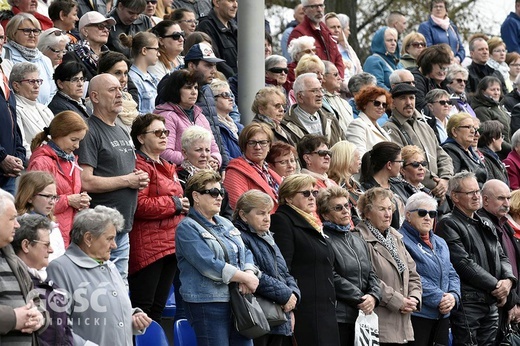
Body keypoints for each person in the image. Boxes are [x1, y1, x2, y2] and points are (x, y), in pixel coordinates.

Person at [77, 74, 150, 284]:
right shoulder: (89, 131)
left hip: (122, 228)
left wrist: (137, 177)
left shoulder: (121, 128)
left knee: (120, 286)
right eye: (112, 90)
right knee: (101, 290)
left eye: (120, 89)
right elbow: (86, 181)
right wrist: (128, 181)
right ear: (95, 97)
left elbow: (122, 171)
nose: (120, 94)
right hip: (99, 230)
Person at [175, 169, 259, 346]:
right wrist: (244, 277)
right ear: (196, 196)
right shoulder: (186, 228)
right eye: (213, 192)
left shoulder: (225, 222)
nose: (219, 197)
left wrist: (249, 272)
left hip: (236, 299)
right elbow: (208, 264)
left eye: (221, 192)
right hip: (207, 303)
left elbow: (246, 252)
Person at [46, 206, 152, 345]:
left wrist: (132, 316)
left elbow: (107, 311)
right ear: (88, 238)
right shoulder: (60, 269)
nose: (114, 245)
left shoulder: (110, 266)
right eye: (110, 238)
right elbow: (55, 325)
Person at [436, 172, 516, 345]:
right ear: (455, 197)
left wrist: (509, 281)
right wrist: (497, 285)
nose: (476, 196)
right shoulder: (448, 223)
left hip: (491, 302)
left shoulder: (485, 223)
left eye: (477, 191)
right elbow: (463, 264)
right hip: (468, 304)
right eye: (469, 192)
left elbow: (502, 256)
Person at [128, 113, 189, 322]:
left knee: (158, 309)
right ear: (141, 138)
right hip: (148, 246)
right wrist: (176, 204)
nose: (164, 136)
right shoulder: (138, 165)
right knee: (143, 310)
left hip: (170, 243)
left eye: (166, 132)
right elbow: (140, 206)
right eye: (157, 132)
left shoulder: (167, 165)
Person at [270, 174, 340, 345]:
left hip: (324, 309)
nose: (311, 197)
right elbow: (282, 267)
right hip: (305, 310)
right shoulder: (282, 221)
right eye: (306, 193)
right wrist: (290, 304)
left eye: (314, 193)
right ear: (288, 198)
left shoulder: (311, 222)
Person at [354, 187, 422, 345]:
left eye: (390, 209)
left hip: (404, 326)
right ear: (367, 212)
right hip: (379, 327)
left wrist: (414, 298)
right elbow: (368, 278)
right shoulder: (358, 238)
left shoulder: (396, 237)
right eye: (382, 209)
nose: (388, 214)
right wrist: (398, 301)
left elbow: (413, 274)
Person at [233, 190, 300, 346]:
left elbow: (285, 272)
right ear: (243, 215)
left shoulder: (268, 236)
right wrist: (285, 296)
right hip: (259, 317)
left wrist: (294, 295)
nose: (266, 218)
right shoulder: (239, 237)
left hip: (279, 315)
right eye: (260, 213)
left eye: (268, 213)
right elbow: (254, 274)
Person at [317, 185, 381, 345]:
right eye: (338, 208)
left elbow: (372, 274)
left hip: (364, 317)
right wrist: (360, 299)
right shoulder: (323, 240)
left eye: (347, 206)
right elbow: (331, 276)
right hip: (340, 318)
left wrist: (373, 296)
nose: (346, 211)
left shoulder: (358, 238)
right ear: (325, 214)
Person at [400, 192, 460, 346]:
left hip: (442, 316)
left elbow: (452, 273)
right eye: (422, 213)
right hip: (418, 315)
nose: (428, 217)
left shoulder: (440, 242)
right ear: (408, 215)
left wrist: (453, 296)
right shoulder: (400, 239)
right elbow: (410, 275)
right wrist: (439, 297)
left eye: (432, 214)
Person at [12, 214, 77, 345]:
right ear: (26, 245)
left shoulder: (52, 286)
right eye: (46, 245)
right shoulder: (13, 285)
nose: (51, 250)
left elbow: (66, 334)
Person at [28, 111, 90, 246]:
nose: (77, 146)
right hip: (48, 236)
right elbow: (34, 202)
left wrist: (81, 201)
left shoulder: (70, 158)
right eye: (74, 140)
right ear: (59, 134)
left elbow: (72, 193)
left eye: (80, 140)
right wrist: (68, 200)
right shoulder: (41, 162)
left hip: (68, 233)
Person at [383, 83, 454, 200]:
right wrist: (438, 185)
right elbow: (404, 165)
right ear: (392, 102)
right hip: (413, 194)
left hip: (439, 191)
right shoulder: (390, 129)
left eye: (411, 98)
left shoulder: (424, 126)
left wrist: (446, 179)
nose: (408, 102)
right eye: (402, 98)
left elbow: (443, 156)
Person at [0, 189, 47, 344]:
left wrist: (40, 318)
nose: (17, 225)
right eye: (12, 219)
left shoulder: (13, 259)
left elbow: (36, 303)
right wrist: (13, 318)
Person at [478, 180, 520, 343]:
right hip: (495, 304)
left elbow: (515, 264)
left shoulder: (504, 224)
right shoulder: (483, 224)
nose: (506, 203)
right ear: (486, 200)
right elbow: (493, 267)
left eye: (508, 198)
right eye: (501, 198)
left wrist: (516, 302)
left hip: (510, 302)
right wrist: (511, 302)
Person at [154, 69, 222, 166]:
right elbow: (165, 152)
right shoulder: (167, 116)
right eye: (188, 88)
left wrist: (214, 161)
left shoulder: (201, 116)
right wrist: (196, 161)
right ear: (176, 90)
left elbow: (214, 148)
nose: (194, 92)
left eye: (196, 87)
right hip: (179, 175)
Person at [183, 41, 230, 169]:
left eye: (214, 66)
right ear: (192, 65)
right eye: (208, 65)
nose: (214, 71)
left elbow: (215, 132)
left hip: (211, 163)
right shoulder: (174, 86)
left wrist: (222, 163)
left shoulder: (207, 88)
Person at [223, 123, 282, 211]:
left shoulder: (270, 172)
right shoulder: (235, 173)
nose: (257, 147)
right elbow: (239, 209)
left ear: (269, 146)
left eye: (263, 142)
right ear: (244, 146)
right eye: (252, 143)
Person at [3, 13, 56, 106]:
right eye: (26, 31)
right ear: (13, 32)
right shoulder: (5, 54)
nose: (32, 35)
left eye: (36, 31)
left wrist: (41, 108)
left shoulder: (45, 60)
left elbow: (52, 90)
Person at [14, 171, 66, 261]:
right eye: (47, 196)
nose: (52, 202)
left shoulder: (53, 226)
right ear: (29, 197)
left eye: (54, 197)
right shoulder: (18, 225)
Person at [282, 73, 344, 146]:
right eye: (314, 91)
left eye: (321, 90)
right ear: (300, 97)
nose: (320, 94)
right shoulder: (285, 124)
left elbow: (344, 150)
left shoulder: (331, 119)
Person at [288, 0, 344, 81]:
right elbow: (301, 65)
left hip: (332, 84)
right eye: (314, 6)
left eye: (321, 5)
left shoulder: (325, 29)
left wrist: (337, 78)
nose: (319, 9)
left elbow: (338, 58)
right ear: (304, 10)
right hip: (315, 86)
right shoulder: (298, 32)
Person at [11, 62, 54, 158]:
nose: (37, 86)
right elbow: (22, 145)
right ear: (16, 86)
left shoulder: (44, 109)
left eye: (38, 81)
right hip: (33, 167)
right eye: (31, 81)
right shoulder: (14, 109)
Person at [360, 141, 406, 230]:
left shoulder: (398, 184)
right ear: (389, 165)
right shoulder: (368, 190)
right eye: (399, 161)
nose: (401, 165)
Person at [62, 11, 116, 81]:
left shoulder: (112, 57)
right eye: (100, 26)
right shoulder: (72, 57)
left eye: (108, 27)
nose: (106, 30)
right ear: (85, 31)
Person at [97, 51, 140, 132]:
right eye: (118, 73)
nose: (123, 79)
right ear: (103, 75)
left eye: (126, 74)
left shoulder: (130, 101)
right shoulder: (96, 104)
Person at [345, 85, 392, 157]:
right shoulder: (357, 125)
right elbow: (358, 158)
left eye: (384, 105)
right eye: (377, 103)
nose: (381, 107)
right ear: (365, 104)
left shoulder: (380, 128)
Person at [120, 32, 160, 115]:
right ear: (144, 50)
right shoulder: (133, 79)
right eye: (156, 49)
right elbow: (136, 113)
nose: (159, 54)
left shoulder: (153, 77)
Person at [442, 112, 487, 184]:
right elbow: (456, 183)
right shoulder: (450, 150)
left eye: (473, 128)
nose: (473, 131)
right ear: (454, 131)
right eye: (468, 127)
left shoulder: (471, 151)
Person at [472, 76, 512, 156]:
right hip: (494, 153)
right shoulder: (481, 110)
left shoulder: (500, 108)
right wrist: (512, 149)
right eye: (492, 90)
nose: (496, 93)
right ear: (483, 92)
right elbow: (490, 135)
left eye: (498, 89)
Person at [196, 0, 237, 77]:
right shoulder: (206, 26)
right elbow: (214, 60)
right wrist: (236, 79)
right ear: (216, 2)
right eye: (230, 1)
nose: (235, 5)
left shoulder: (235, 28)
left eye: (236, 1)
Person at [328, 140, 363, 223]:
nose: (360, 162)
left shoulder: (352, 184)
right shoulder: (333, 188)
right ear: (347, 161)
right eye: (358, 159)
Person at [209, 78, 243, 160]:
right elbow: (225, 158)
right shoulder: (214, 128)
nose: (231, 99)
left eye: (231, 95)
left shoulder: (239, 127)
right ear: (213, 99)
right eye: (225, 95)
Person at [324, 12, 362, 83]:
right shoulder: (324, 49)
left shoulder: (348, 49)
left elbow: (359, 71)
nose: (337, 30)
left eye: (339, 27)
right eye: (332, 27)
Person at [322, 60, 353, 135]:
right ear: (323, 77)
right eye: (335, 74)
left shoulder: (345, 103)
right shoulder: (319, 101)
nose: (340, 78)